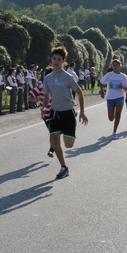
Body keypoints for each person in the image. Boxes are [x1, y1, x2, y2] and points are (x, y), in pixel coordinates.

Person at [42, 47, 88, 179]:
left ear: (63, 61)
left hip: (68, 112)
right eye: (54, 59)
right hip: (55, 113)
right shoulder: (48, 78)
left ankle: (64, 132)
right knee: (55, 140)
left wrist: (82, 112)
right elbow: (46, 96)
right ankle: (63, 167)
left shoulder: (68, 77)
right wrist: (44, 108)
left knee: (68, 144)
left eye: (59, 59)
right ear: (51, 60)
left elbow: (79, 93)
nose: (56, 61)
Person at [29, 67, 55, 157]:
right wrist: (35, 99)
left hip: (57, 111)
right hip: (46, 113)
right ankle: (52, 148)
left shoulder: (57, 86)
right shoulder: (40, 88)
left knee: (53, 131)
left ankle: (52, 148)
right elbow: (29, 96)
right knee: (52, 131)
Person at [100, 59, 127, 139]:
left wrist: (123, 87)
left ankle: (114, 132)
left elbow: (126, 88)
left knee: (118, 114)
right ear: (112, 66)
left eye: (116, 65)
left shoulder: (123, 76)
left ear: (120, 66)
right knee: (111, 118)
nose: (115, 66)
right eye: (114, 65)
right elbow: (101, 83)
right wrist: (102, 92)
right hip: (110, 97)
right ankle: (115, 112)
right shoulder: (109, 75)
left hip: (120, 96)